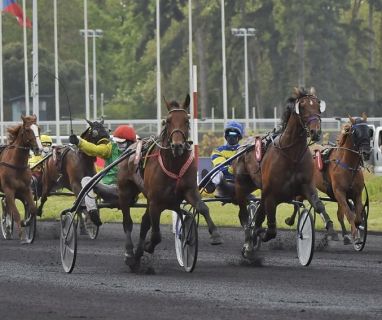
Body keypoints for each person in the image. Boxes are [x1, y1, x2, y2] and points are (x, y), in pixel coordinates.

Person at [69, 124, 137, 226]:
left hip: (128, 193)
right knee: (86, 180)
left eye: (121, 142)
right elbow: (94, 149)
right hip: (109, 189)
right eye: (117, 141)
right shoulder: (110, 148)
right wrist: (79, 142)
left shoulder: (137, 153)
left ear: (130, 142)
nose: (118, 144)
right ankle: (92, 211)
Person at [205, 120, 244, 197]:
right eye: (229, 134)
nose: (231, 137)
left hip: (240, 179)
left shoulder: (244, 150)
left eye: (234, 134)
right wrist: (233, 168)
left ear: (239, 137)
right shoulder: (218, 151)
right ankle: (211, 186)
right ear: (226, 136)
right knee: (216, 172)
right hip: (224, 179)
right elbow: (219, 166)